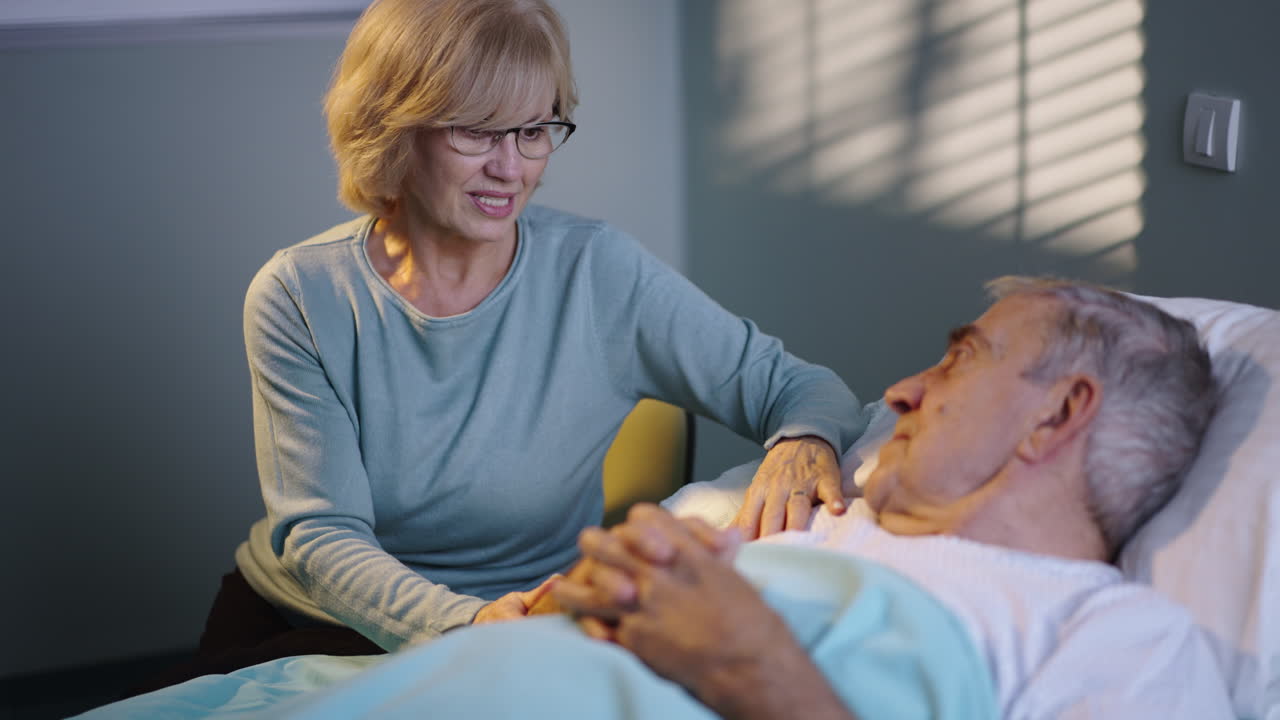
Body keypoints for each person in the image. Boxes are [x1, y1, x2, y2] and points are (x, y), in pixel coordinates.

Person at [140, 0, 863, 691]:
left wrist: (803, 438)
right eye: (477, 132)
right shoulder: (301, 295)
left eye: (535, 130)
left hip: (526, 618)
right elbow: (324, 535)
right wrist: (466, 620)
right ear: (392, 126)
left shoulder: (599, 272)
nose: (511, 168)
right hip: (312, 621)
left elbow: (799, 386)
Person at [537, 276, 1233, 718]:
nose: (901, 394)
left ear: (1056, 416)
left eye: (960, 360)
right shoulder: (816, 526)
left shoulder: (1121, 641)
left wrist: (750, 667)